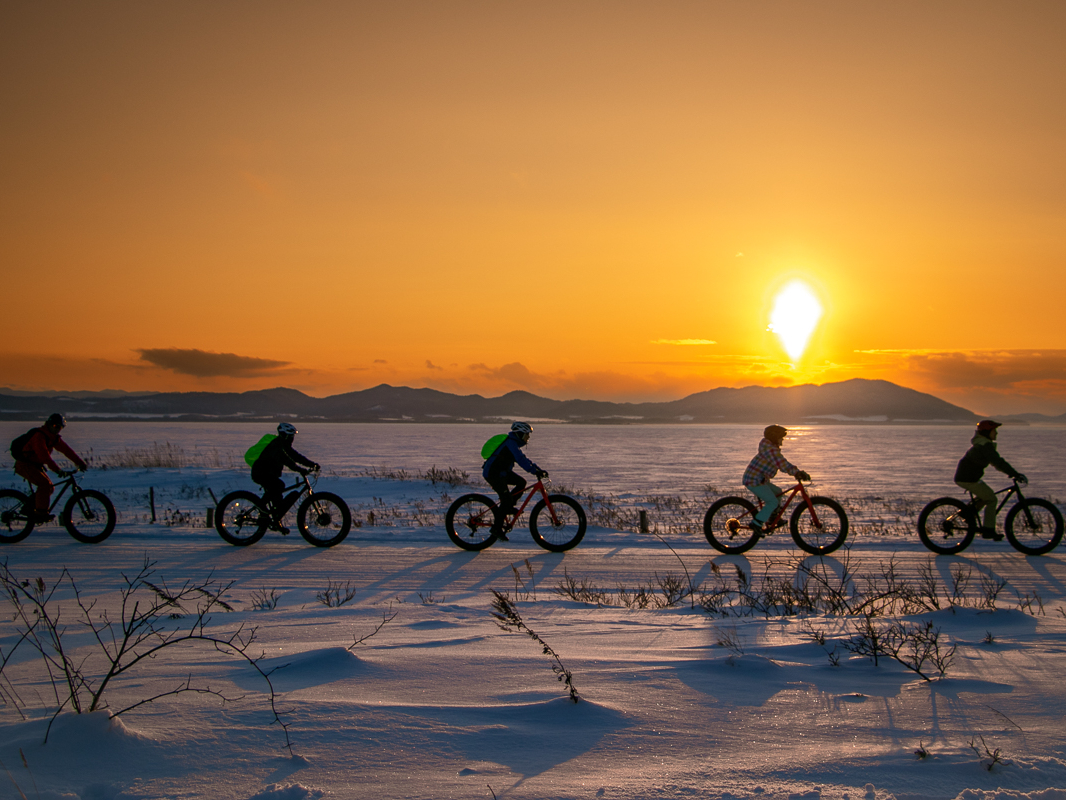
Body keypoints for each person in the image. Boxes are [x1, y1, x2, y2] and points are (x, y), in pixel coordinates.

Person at [954, 420, 1027, 540]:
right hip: (968, 478)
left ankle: (967, 513)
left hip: (968, 476)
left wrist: (1012, 472)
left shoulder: (983, 444)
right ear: (987, 432)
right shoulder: (985, 446)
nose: (996, 434)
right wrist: (1014, 474)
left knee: (987, 495)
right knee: (992, 500)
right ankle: (988, 530)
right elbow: (998, 462)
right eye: (994, 431)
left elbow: (996, 462)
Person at [13, 413, 88, 522]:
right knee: (44, 484)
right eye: (54, 426)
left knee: (50, 487)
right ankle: (40, 514)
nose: (57, 429)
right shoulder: (39, 436)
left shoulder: (53, 438)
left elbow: (67, 451)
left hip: (34, 465)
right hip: (24, 465)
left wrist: (80, 463)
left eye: (60, 427)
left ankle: (30, 507)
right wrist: (57, 470)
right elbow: (44, 456)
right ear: (48, 424)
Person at [482, 421, 548, 540]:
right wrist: (535, 471)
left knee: (521, 482)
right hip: (493, 474)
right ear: (520, 434)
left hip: (502, 472)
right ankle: (496, 528)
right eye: (527, 434)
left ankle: (508, 506)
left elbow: (524, 459)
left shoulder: (513, 443)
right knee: (506, 499)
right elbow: (521, 460)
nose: (528, 437)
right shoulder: (511, 443)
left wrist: (537, 469)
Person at [251, 422, 320, 534]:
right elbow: (287, 460)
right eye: (291, 436)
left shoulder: (283, 445)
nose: (292, 438)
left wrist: (311, 464)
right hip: (261, 473)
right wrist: (299, 469)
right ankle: (262, 510)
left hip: (268, 474)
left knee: (277, 492)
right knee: (277, 486)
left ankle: (274, 519)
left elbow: (295, 456)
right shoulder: (277, 446)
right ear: (285, 435)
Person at [742, 424, 810, 533]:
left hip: (759, 479)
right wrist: (796, 472)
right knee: (772, 502)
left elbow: (781, 463)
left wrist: (795, 472)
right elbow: (782, 464)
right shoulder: (771, 450)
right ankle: (757, 523)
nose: (782, 440)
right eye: (780, 438)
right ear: (774, 437)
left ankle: (773, 517)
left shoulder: (770, 448)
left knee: (778, 492)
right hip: (754, 480)